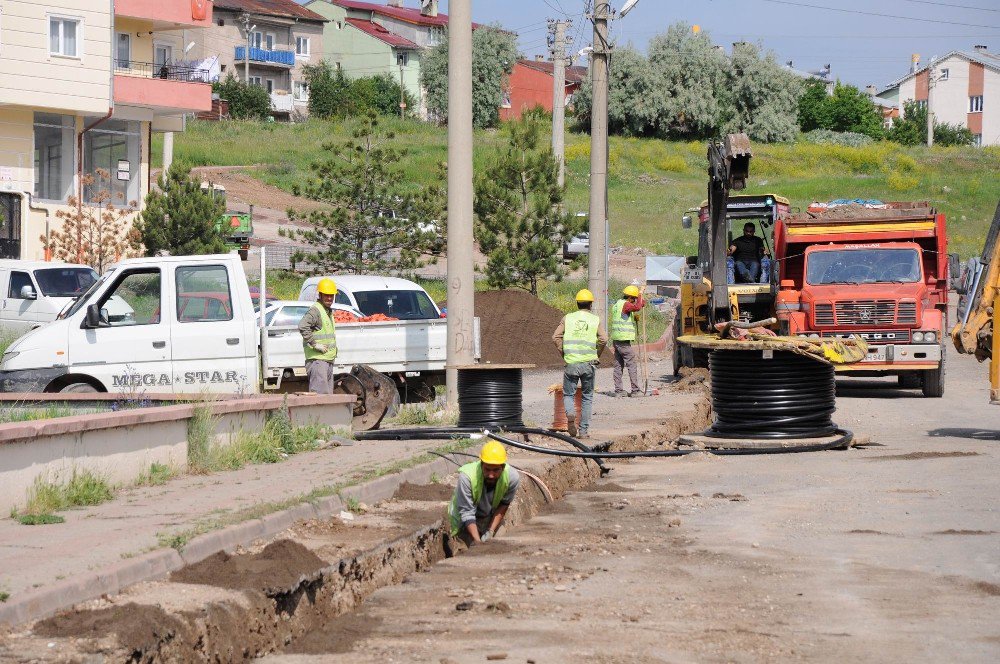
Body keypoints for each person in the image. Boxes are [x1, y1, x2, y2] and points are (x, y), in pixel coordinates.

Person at [552, 288, 608, 438]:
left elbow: (555, 337)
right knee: (587, 396)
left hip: (571, 363)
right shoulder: (595, 319)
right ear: (591, 305)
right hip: (589, 363)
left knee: (568, 394)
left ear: (577, 303)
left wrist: (564, 353)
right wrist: (597, 354)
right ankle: (583, 431)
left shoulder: (567, 318)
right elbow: (604, 339)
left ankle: (570, 414)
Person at [448, 441, 521, 547]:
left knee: (499, 547)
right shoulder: (467, 477)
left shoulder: (512, 478)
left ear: (503, 467)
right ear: (481, 464)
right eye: (487, 469)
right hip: (463, 523)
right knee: (466, 553)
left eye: (496, 470)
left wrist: (490, 531)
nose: (491, 475)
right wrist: (478, 543)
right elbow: (467, 513)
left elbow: (504, 504)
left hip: (488, 517)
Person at [298, 277, 339, 394]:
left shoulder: (327, 311)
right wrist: (315, 344)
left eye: (332, 295)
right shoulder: (316, 310)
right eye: (326, 295)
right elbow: (302, 326)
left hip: (327, 361)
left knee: (327, 398)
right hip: (318, 362)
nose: (329, 298)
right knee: (320, 398)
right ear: (320, 295)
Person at [610, 284, 645, 397]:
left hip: (617, 339)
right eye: (633, 299)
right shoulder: (625, 305)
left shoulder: (617, 304)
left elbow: (639, 305)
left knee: (618, 365)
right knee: (631, 364)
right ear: (630, 297)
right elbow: (638, 307)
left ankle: (618, 391)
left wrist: (640, 298)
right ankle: (635, 390)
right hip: (623, 340)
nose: (634, 301)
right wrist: (640, 294)